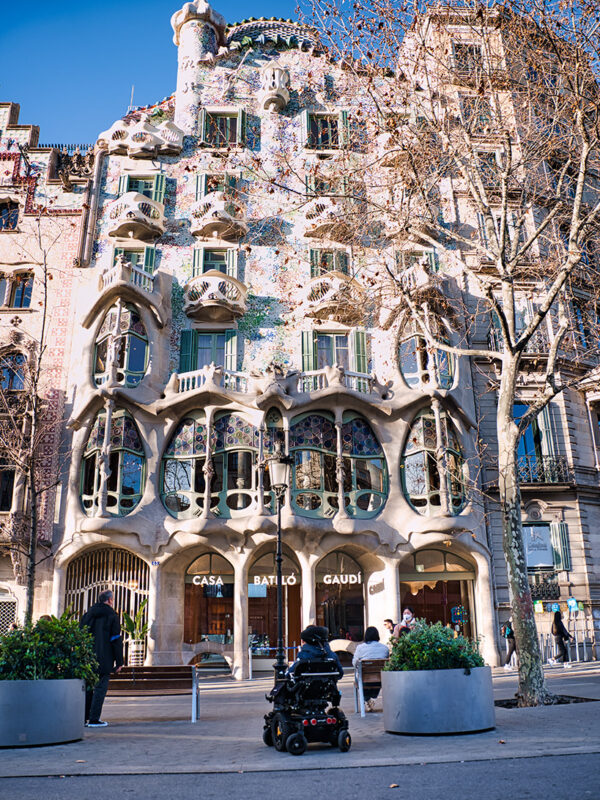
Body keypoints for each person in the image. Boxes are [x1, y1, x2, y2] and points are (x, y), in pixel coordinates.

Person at [80, 589, 124, 727]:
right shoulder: (112, 615)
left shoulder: (88, 614)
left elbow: (80, 633)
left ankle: (83, 718)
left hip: (88, 657)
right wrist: (119, 662)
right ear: (110, 600)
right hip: (105, 657)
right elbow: (116, 639)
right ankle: (94, 719)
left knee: (88, 688)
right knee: (100, 688)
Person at [352, 626, 390, 711]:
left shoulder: (360, 648)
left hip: (364, 679)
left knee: (360, 681)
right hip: (380, 679)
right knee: (377, 679)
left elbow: (354, 663)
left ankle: (367, 699)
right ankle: (372, 698)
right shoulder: (384, 648)